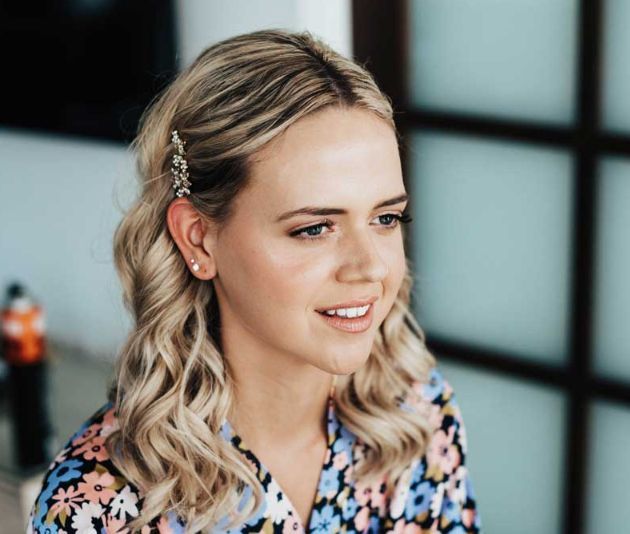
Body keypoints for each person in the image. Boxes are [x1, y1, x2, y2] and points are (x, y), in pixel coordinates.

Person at [27, 29, 481, 533]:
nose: (370, 267)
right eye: (314, 228)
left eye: (386, 218)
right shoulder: (99, 507)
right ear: (199, 239)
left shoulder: (417, 416)